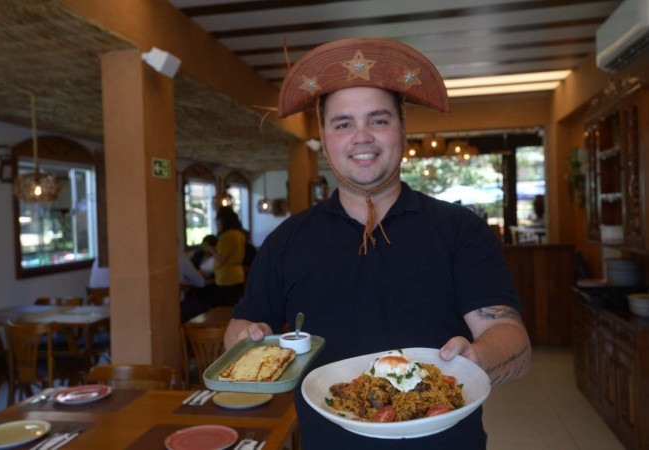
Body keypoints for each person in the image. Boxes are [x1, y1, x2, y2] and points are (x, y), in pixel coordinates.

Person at [224, 37, 531, 449]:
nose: (361, 137)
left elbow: (513, 341)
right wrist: (251, 341)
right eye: (343, 123)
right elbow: (241, 328)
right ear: (324, 136)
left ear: (403, 128)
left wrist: (474, 361)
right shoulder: (286, 240)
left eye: (379, 120)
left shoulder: (460, 229)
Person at [212, 207, 246, 306]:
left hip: (226, 277)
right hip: (238, 274)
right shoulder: (240, 234)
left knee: (225, 309)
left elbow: (222, 258)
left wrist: (211, 251)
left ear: (223, 221)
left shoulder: (226, 237)